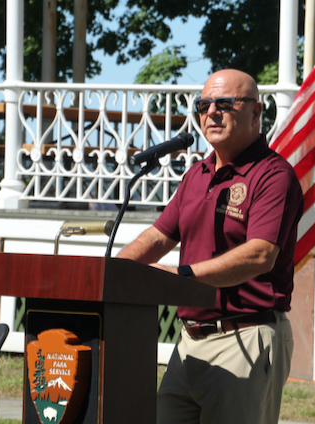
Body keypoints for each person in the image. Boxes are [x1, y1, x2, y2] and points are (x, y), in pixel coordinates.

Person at [118, 68, 304, 424]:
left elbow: (260, 255)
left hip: (245, 336)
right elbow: (158, 237)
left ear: (255, 113)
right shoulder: (196, 174)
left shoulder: (273, 175)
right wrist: (107, 275)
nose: (211, 112)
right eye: (204, 104)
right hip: (189, 342)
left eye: (224, 103)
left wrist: (180, 276)